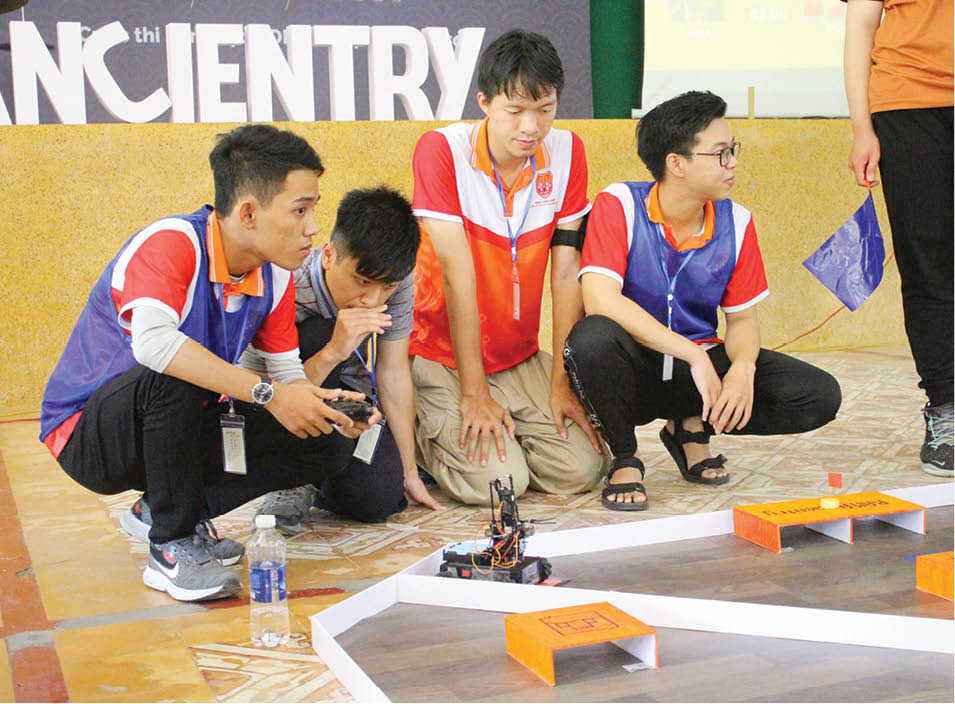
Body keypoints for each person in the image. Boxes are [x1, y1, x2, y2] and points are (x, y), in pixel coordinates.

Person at [39, 124, 369, 602]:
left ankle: (168, 511)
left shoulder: (275, 275)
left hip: (179, 426)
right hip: (92, 437)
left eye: (313, 209)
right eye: (300, 210)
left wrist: (324, 406)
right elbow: (153, 346)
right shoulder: (172, 243)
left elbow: (287, 376)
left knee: (326, 442)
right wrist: (269, 394)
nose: (313, 227)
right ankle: (170, 546)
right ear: (249, 212)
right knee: (177, 368)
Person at [562, 90, 842, 510]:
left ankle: (690, 428)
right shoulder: (619, 204)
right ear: (676, 164)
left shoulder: (737, 222)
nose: (733, 163)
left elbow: (742, 321)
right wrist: (692, 354)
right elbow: (601, 300)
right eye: (720, 154)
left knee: (818, 395)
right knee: (591, 339)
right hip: (631, 371)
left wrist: (743, 368)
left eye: (733, 151)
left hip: (697, 375)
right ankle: (625, 456)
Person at [410, 28, 607, 505]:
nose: (531, 127)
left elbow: (566, 276)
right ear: (484, 102)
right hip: (442, 355)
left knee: (583, 468)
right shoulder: (442, 151)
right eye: (515, 110)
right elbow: (457, 276)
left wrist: (561, 382)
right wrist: (474, 393)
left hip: (519, 355)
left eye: (545, 109)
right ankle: (423, 428)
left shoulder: (568, 153)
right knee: (501, 485)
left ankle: (508, 433)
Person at [247, 187, 443, 534]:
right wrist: (334, 350)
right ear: (328, 254)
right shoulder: (285, 282)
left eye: (387, 286)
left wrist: (409, 471)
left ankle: (320, 475)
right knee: (320, 332)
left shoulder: (397, 282)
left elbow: (393, 373)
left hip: (348, 402)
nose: (373, 299)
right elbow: (260, 396)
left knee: (378, 499)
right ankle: (290, 478)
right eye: (362, 281)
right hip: (278, 405)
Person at [843, 0, 953, 477]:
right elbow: (860, 28)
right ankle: (946, 407)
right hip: (908, 105)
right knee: (928, 263)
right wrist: (861, 128)